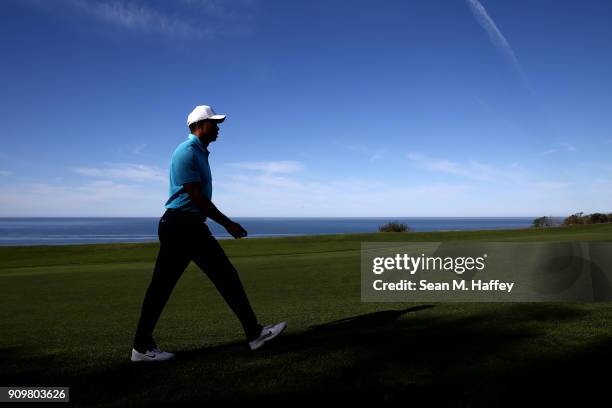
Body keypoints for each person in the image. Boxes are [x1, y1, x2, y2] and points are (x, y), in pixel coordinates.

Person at [131, 105, 287, 362]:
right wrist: (228, 223)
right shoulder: (186, 151)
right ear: (199, 125)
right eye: (214, 123)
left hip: (186, 226)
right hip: (182, 226)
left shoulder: (201, 153)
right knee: (222, 277)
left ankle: (141, 346)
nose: (218, 128)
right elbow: (195, 196)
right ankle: (254, 334)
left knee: (167, 287)